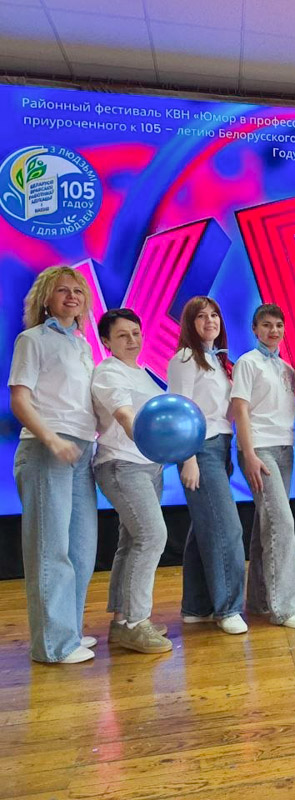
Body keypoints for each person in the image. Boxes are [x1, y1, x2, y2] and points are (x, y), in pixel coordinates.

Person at [9, 266, 98, 663]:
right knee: (50, 549)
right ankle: (53, 645)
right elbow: (20, 399)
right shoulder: (32, 340)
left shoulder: (82, 344)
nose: (71, 296)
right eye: (62, 290)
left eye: (77, 290)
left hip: (81, 450)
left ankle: (69, 631)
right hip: (47, 449)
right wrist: (51, 439)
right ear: (46, 298)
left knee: (81, 549)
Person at [92, 309, 172, 653]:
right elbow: (125, 414)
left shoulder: (143, 373)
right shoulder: (108, 372)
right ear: (106, 341)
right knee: (152, 535)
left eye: (136, 333)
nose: (132, 340)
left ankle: (123, 621)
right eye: (122, 335)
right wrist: (146, 441)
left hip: (148, 466)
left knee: (132, 541)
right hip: (121, 464)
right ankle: (137, 622)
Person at [230, 304, 295, 628]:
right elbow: (240, 409)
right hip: (259, 450)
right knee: (282, 522)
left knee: (265, 524)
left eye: (278, 325)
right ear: (255, 329)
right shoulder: (247, 363)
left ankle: (260, 599)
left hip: (284, 449)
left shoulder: (286, 368)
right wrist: (249, 453)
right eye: (266, 325)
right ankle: (287, 608)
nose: (273, 331)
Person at [167, 296, 247, 634]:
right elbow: (180, 410)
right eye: (201, 316)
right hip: (200, 449)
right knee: (227, 530)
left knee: (205, 527)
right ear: (190, 323)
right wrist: (189, 458)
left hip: (221, 446)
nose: (210, 320)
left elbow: (222, 411)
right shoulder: (185, 359)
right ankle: (228, 609)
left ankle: (196, 606)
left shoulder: (218, 360)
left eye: (214, 315)